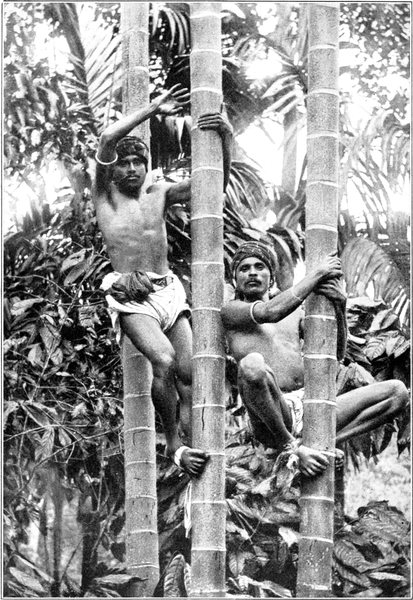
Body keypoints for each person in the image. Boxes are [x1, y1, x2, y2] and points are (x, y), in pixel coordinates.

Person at [93, 85, 233, 478]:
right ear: (113, 170)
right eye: (124, 163)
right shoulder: (105, 197)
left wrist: (226, 136)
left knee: (189, 373)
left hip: (167, 290)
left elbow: (213, 185)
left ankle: (194, 446)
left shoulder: (160, 194)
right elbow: (107, 137)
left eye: (138, 162)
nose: (131, 169)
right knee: (164, 360)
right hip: (131, 296)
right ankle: (172, 444)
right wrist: (152, 108)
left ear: (146, 166)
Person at [221, 241, 408, 477]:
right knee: (252, 364)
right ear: (235, 279)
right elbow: (269, 312)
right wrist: (319, 273)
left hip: (309, 405)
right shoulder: (232, 311)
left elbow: (335, 355)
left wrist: (340, 306)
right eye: (244, 268)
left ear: (271, 277)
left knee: (397, 392)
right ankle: (290, 448)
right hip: (271, 415)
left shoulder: (296, 315)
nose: (252, 273)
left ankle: (323, 444)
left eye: (259, 267)